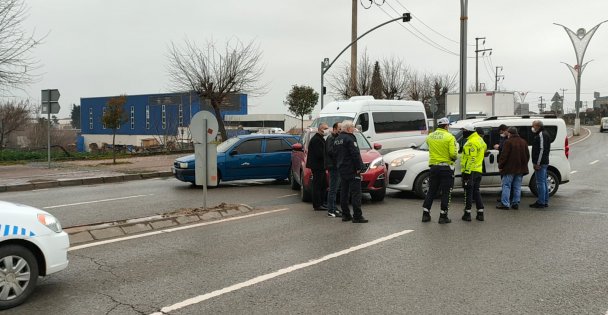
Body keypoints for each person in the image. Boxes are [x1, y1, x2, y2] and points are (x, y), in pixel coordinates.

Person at [422, 117, 458, 224]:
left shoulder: (430, 136)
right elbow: (453, 154)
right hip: (446, 168)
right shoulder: (449, 137)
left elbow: (429, 147)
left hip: (434, 167)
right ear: (446, 126)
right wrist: (454, 158)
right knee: (446, 192)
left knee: (432, 190)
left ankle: (425, 214)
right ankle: (443, 216)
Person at [334, 120, 368, 223]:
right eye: (353, 127)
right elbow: (355, 154)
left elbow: (335, 154)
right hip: (352, 170)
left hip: (342, 169)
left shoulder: (337, 139)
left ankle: (346, 215)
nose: (354, 129)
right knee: (356, 193)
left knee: (344, 193)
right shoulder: (350, 138)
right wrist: (360, 167)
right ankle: (357, 216)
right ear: (349, 129)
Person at [497, 127, 530, 210]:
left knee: (506, 185)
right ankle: (515, 203)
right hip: (520, 168)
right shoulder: (523, 141)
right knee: (517, 186)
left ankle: (505, 203)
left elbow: (504, 156)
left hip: (509, 168)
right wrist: (524, 164)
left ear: (510, 133)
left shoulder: (508, 142)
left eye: (507, 133)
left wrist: (500, 166)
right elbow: (527, 155)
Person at [460, 125, 487, 222]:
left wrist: (466, 173)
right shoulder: (480, 140)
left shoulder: (470, 143)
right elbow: (484, 149)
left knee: (468, 192)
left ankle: (467, 213)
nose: (463, 132)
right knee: (476, 191)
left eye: (464, 130)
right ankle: (480, 212)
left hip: (470, 171)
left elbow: (470, 159)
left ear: (469, 131)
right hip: (478, 170)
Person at [306, 123, 329, 211]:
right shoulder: (316, 140)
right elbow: (319, 154)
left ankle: (322, 203)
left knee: (323, 185)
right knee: (317, 186)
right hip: (317, 166)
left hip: (321, 166)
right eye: (325, 128)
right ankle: (317, 205)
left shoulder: (320, 138)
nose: (327, 130)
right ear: (320, 129)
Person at [530, 120, 550, 208]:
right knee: (544, 182)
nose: (532, 127)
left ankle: (541, 201)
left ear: (538, 126)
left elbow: (542, 149)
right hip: (544, 162)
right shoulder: (544, 133)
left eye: (533, 126)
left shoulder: (541, 134)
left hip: (541, 163)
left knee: (540, 183)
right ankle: (545, 200)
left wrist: (537, 163)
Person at [325, 122, 342, 217]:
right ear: (334, 129)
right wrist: (340, 152)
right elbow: (330, 151)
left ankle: (334, 207)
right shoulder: (331, 138)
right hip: (333, 166)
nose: (340, 130)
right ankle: (331, 210)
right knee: (333, 189)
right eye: (339, 128)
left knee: (335, 189)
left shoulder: (335, 137)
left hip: (336, 166)